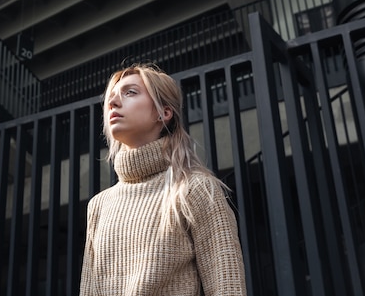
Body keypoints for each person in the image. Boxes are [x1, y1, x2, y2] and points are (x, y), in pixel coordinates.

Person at [79, 63, 247, 295]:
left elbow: (227, 286)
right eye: (112, 97)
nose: (113, 102)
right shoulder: (98, 206)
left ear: (163, 112)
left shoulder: (195, 189)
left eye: (130, 92)